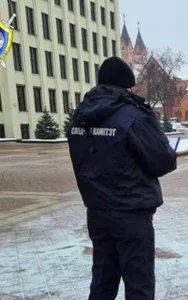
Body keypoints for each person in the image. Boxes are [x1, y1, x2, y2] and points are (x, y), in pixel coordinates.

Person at [67, 57, 177, 300]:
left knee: (102, 283)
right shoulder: (133, 116)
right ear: (126, 86)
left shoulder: (80, 117)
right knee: (139, 286)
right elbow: (163, 161)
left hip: (97, 212)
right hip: (131, 215)